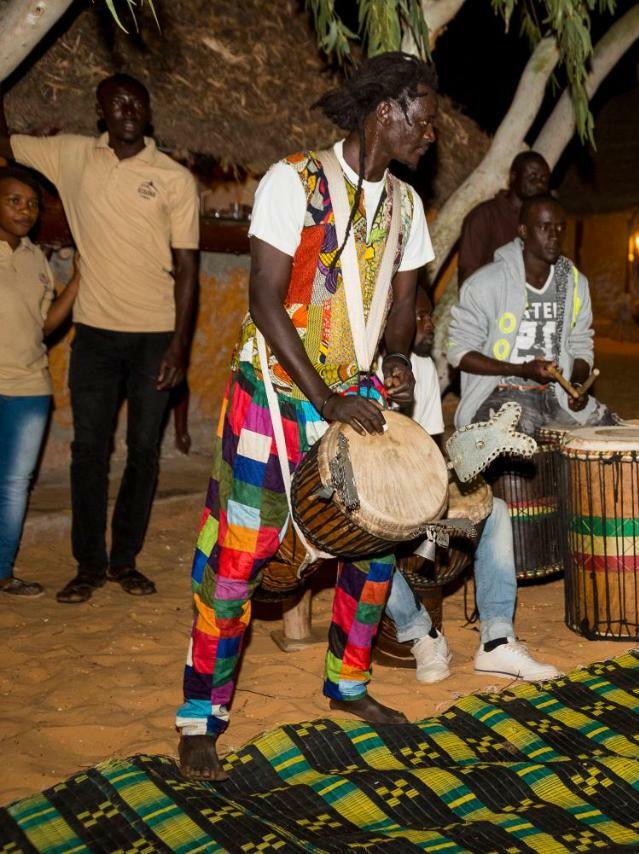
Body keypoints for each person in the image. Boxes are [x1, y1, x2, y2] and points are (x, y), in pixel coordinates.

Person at [175, 52, 439, 781]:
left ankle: (348, 685)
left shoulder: (409, 208)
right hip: (277, 395)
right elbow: (264, 298)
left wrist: (397, 364)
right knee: (238, 559)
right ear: (386, 111)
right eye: (424, 120)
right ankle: (201, 715)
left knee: (376, 542)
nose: (432, 136)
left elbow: (403, 307)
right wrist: (323, 399)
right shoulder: (293, 181)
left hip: (356, 395)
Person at [1, 74, 200, 604]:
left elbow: (188, 268)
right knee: (88, 452)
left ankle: (124, 562)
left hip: (155, 336)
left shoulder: (175, 179)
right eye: (118, 102)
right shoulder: (71, 156)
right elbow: (7, 144)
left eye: (138, 100)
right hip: (92, 335)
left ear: (149, 111)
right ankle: (88, 564)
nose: (129, 108)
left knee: (142, 453)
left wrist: (180, 346)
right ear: (101, 111)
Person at [382, 289, 560, 683]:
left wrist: (465, 464)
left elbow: (430, 447)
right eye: (422, 316)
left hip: (415, 496)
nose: (429, 325)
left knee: (493, 510)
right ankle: (421, 634)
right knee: (368, 545)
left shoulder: (423, 368)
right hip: (374, 500)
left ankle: (496, 641)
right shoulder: (361, 369)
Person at [448, 194, 617, 436]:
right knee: (513, 448)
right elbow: (460, 353)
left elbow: (581, 345)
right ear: (524, 231)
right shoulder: (486, 283)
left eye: (560, 227)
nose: (554, 235)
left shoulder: (574, 283)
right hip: (501, 391)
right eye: (544, 227)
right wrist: (521, 369)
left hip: (556, 395)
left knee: (611, 437)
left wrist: (576, 387)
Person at [0, 165, 79, 597]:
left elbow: (44, 324)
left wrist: (77, 282)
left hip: (30, 387)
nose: (25, 210)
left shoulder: (35, 259)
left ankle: (3, 571)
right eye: (14, 200)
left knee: (13, 485)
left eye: (31, 204)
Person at [457, 151, 550, 286]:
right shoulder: (484, 216)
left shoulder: (543, 223)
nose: (540, 184)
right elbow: (468, 275)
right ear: (513, 177)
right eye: (533, 177)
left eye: (544, 180)